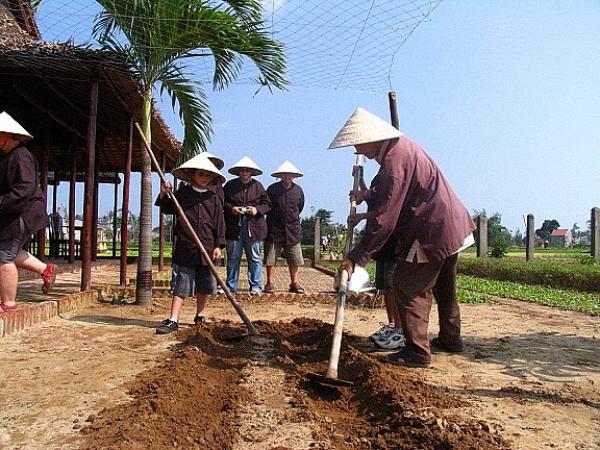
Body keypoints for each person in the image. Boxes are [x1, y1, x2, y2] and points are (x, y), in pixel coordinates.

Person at [330, 107, 475, 368]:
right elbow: (397, 192)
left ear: (372, 138)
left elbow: (384, 219)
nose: (358, 151)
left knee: (407, 286)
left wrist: (355, 258)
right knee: (444, 287)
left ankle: (417, 353)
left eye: (359, 144)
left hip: (431, 230)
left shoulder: (394, 162)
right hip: (450, 224)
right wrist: (369, 196)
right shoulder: (402, 149)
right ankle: (450, 340)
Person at [154, 155, 226, 334]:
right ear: (193, 175)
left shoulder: (214, 198)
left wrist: (218, 246)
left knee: (204, 285)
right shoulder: (182, 194)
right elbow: (167, 208)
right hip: (186, 247)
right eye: (200, 174)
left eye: (207, 175)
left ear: (211, 178)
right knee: (182, 284)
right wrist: (164, 192)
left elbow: (219, 224)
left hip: (207, 248)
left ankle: (199, 316)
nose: (203, 178)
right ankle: (173, 319)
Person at [0, 111, 57, 313]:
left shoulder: (20, 156)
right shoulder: (10, 156)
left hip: (23, 213)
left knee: (3, 257)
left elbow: (24, 188)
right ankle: (45, 269)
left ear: (7, 134)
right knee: (8, 250)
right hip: (21, 212)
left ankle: (8, 304)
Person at [223, 156, 271, 295]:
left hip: (254, 227)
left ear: (251, 172)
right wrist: (232, 209)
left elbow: (267, 204)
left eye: (247, 170)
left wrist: (256, 210)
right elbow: (222, 202)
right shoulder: (230, 186)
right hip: (234, 227)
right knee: (233, 257)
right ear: (238, 172)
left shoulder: (258, 186)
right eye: (242, 170)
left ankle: (255, 287)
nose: (244, 173)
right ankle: (231, 287)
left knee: (255, 258)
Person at [263, 161, 305, 294]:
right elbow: (266, 205)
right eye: (284, 175)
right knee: (271, 258)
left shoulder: (298, 190)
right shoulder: (272, 189)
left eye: (289, 175)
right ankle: (269, 283)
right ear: (280, 175)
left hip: (292, 229)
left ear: (293, 176)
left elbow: (300, 207)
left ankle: (294, 282)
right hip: (274, 228)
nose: (287, 177)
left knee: (295, 259)